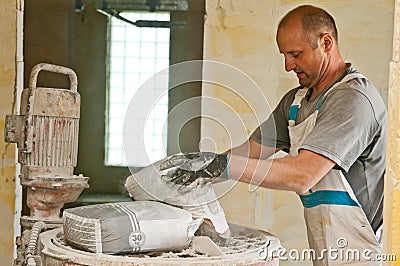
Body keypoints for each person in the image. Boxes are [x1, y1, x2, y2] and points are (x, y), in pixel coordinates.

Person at [158, 5, 387, 265]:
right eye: (284, 55)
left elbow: (304, 174)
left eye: (296, 54)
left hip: (367, 255)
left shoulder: (353, 99)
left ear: (326, 43)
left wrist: (220, 166)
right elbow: (249, 152)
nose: (288, 65)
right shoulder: (296, 102)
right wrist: (195, 174)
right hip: (327, 252)